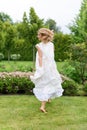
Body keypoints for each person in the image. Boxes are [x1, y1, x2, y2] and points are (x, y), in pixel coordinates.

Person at [30, 28, 64, 113]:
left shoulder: (39, 46)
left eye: (39, 35)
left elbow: (40, 57)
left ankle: (47, 99)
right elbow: (51, 57)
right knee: (48, 83)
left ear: (43, 36)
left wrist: (40, 68)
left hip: (45, 67)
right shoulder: (51, 45)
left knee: (46, 83)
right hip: (50, 67)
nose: (37, 36)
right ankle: (42, 106)